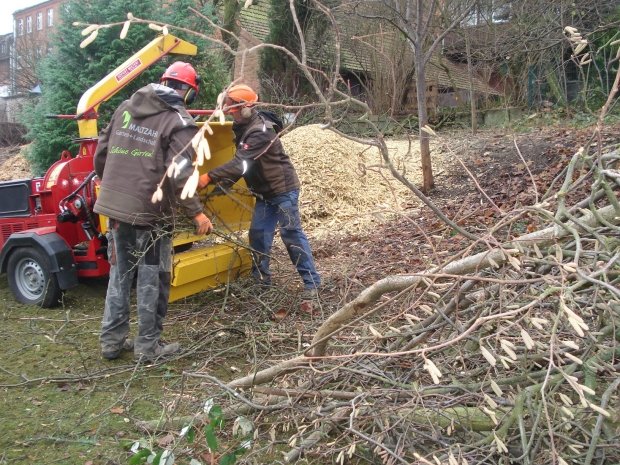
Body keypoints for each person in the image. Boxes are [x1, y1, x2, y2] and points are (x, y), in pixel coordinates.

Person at [94, 61, 213, 362]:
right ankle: (148, 347)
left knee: (120, 274)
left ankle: (111, 342)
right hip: (150, 216)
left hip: (115, 211)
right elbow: (180, 173)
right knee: (151, 277)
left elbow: (101, 155)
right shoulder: (178, 121)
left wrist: (111, 187)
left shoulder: (125, 107)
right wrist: (196, 213)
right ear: (188, 92)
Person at [197, 84, 321, 298]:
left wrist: (208, 176)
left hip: (283, 191)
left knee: (291, 234)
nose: (228, 112)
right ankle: (262, 283)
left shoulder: (259, 131)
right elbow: (245, 165)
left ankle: (312, 284)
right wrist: (223, 186)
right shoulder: (244, 127)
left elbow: (240, 162)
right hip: (265, 194)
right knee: (258, 234)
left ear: (245, 108)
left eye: (231, 109)